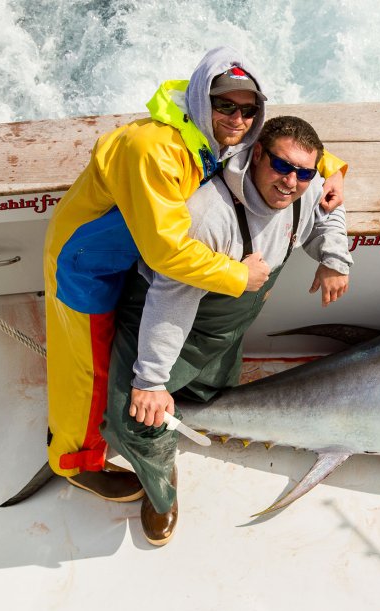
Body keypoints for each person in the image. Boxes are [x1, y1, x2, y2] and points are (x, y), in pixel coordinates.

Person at [43, 47, 348, 504]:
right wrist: (235, 275)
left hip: (139, 259)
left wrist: (331, 170)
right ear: (203, 102)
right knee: (90, 374)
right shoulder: (154, 150)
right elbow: (169, 253)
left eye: (248, 110)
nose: (237, 119)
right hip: (88, 265)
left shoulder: (228, 136)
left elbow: (289, 151)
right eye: (225, 105)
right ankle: (73, 462)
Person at [101, 115, 351, 545]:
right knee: (134, 417)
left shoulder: (301, 194)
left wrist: (333, 258)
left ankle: (185, 400)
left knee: (214, 390)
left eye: (305, 172)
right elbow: (170, 302)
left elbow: (329, 213)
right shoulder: (211, 217)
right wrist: (151, 380)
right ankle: (161, 486)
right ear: (256, 154)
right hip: (166, 320)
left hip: (227, 328)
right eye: (282, 166)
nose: (291, 181)